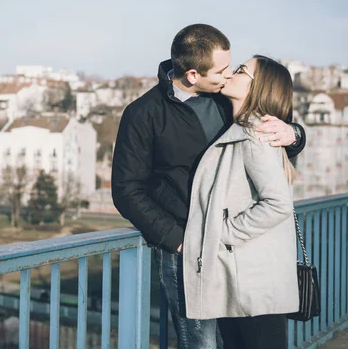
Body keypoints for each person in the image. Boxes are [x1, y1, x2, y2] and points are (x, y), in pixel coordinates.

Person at [111, 24, 306, 348]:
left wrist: (296, 133)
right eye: (222, 69)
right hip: (186, 248)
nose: (229, 74)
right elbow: (127, 188)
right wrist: (176, 240)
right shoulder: (143, 114)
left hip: (240, 249)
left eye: (233, 66)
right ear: (191, 74)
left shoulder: (227, 99)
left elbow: (270, 124)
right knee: (202, 343)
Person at [183, 55, 299, 349]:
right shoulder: (247, 128)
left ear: (257, 86)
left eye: (242, 70)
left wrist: (225, 233)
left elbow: (278, 204)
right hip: (247, 277)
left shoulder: (254, 134)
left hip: (253, 282)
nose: (232, 73)